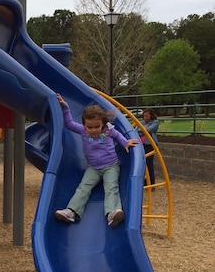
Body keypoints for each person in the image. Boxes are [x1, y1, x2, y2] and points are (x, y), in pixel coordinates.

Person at [54, 94, 139, 227]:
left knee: (111, 187)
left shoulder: (108, 131)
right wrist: (65, 108)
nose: (93, 130)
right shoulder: (82, 131)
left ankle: (112, 213)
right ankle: (71, 211)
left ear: (103, 124)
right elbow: (69, 123)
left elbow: (119, 136)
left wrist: (126, 143)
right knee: (83, 188)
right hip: (92, 168)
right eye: (90, 127)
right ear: (84, 125)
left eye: (96, 126)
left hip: (111, 166)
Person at [137, 108, 159, 188]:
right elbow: (136, 130)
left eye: (147, 116)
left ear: (151, 116)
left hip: (150, 145)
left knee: (149, 164)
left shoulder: (155, 122)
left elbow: (149, 130)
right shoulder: (141, 122)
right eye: (144, 116)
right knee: (143, 164)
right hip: (141, 145)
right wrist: (140, 131)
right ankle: (146, 182)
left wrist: (140, 130)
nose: (145, 118)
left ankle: (152, 183)